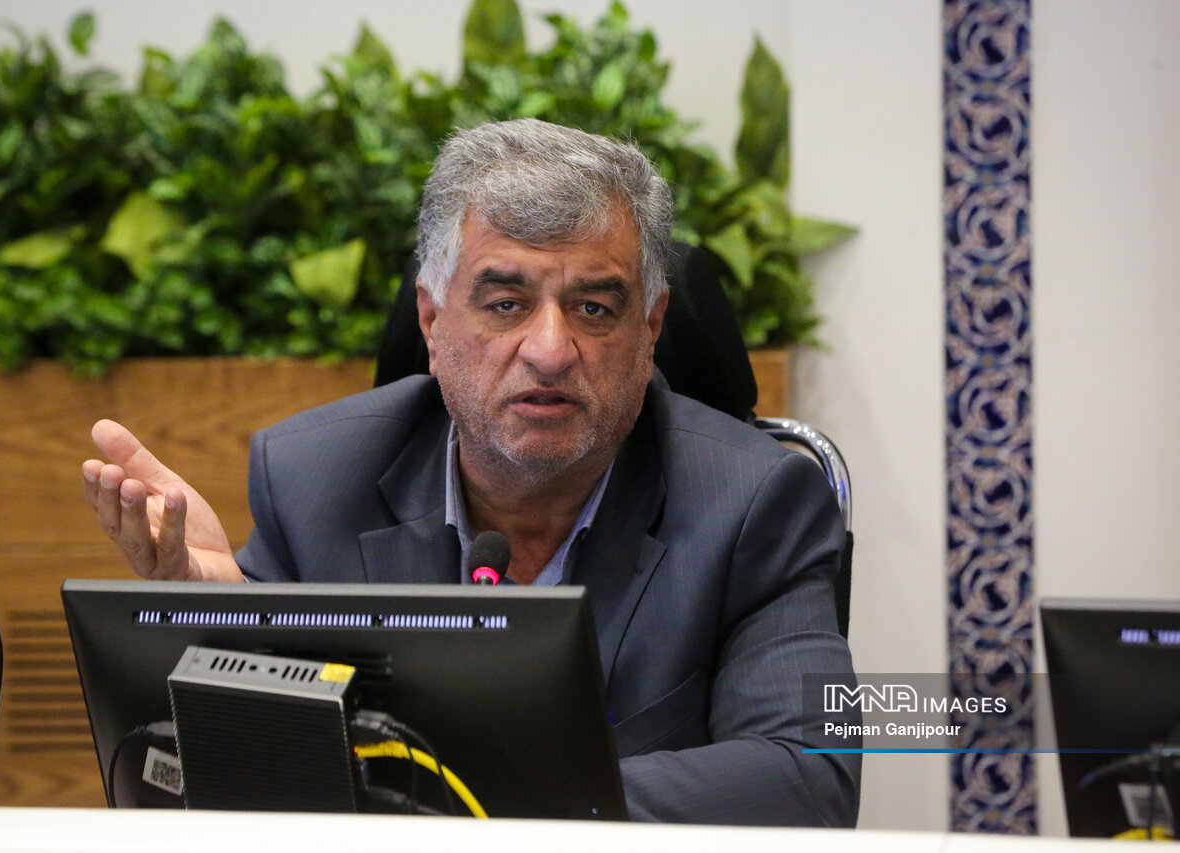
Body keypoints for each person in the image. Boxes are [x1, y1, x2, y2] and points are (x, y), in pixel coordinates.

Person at [81, 119, 860, 825]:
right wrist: (221, 617)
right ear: (431, 320)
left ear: (650, 328)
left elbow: (809, 772)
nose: (550, 350)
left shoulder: (756, 502)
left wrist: (485, 806)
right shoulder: (315, 480)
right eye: (506, 303)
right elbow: (251, 788)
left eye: (594, 308)